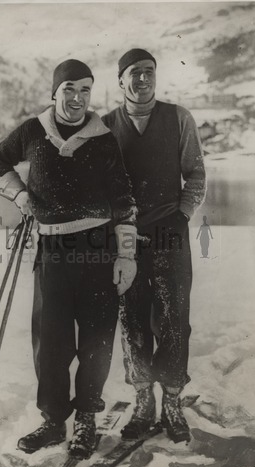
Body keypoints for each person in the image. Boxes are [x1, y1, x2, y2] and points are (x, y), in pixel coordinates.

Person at [0, 59, 138, 459]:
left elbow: (123, 200)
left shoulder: (102, 137)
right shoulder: (34, 131)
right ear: (55, 92)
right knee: (50, 343)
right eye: (69, 88)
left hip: (99, 249)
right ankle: (53, 421)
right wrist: (21, 196)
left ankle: (86, 418)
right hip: (52, 251)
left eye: (85, 90)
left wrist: (126, 255)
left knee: (95, 340)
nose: (77, 98)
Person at [102, 48, 206, 443]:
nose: (143, 79)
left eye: (149, 72)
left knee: (174, 322)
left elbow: (196, 173)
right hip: (125, 239)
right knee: (132, 321)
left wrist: (181, 217)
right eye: (134, 73)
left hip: (169, 233)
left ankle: (173, 401)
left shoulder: (178, 118)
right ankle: (143, 399)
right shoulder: (106, 126)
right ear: (121, 80)